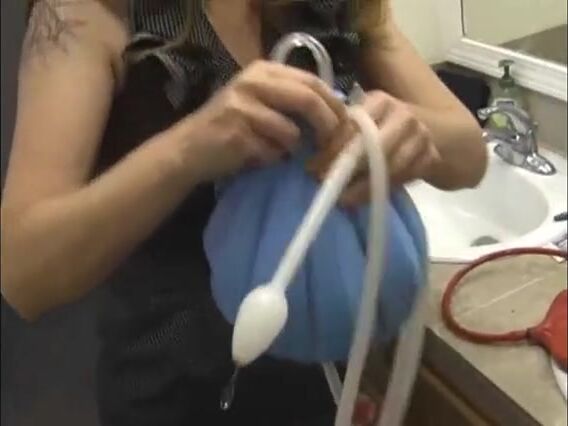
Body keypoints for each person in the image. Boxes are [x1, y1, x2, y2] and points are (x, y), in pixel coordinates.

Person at [1, 0, 487, 424]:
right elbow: (23, 274)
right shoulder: (86, 14)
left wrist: (408, 131)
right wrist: (187, 150)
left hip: (324, 383)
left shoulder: (334, 8)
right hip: (172, 395)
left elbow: (468, 154)